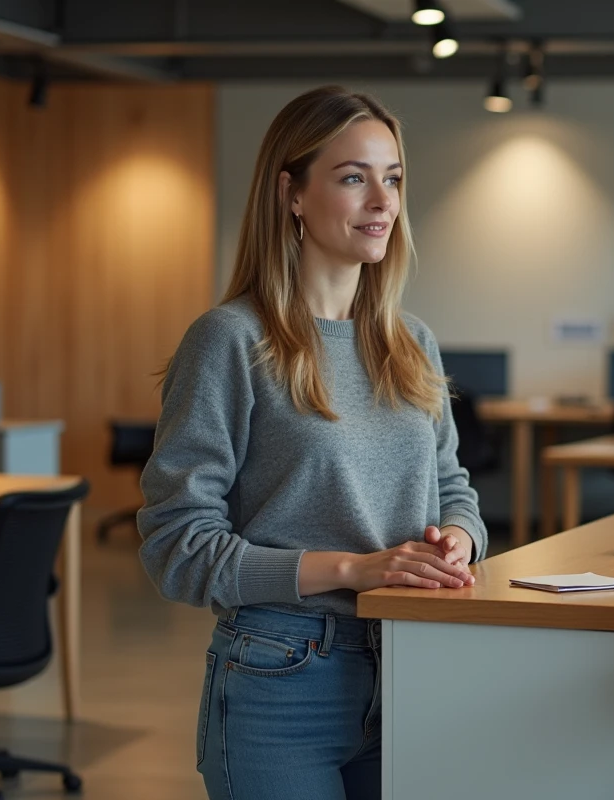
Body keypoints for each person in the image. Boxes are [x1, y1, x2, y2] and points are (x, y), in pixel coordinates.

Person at [137, 86, 486, 800]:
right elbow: (176, 547)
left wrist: (458, 540)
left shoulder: (409, 342)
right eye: (354, 177)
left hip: (411, 667)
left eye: (392, 178)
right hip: (281, 675)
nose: (383, 201)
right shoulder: (230, 341)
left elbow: (455, 487)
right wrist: (354, 569)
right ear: (291, 193)